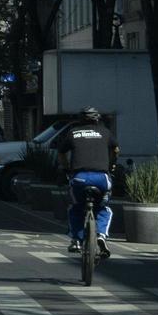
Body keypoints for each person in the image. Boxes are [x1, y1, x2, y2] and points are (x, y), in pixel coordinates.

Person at [51, 107, 117, 259]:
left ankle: (76, 240)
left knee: (75, 208)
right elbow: (116, 149)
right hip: (102, 178)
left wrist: (66, 168)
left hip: (79, 178)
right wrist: (112, 165)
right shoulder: (105, 132)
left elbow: (61, 152)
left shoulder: (73, 132)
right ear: (97, 119)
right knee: (103, 209)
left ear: (80, 119)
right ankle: (101, 235)